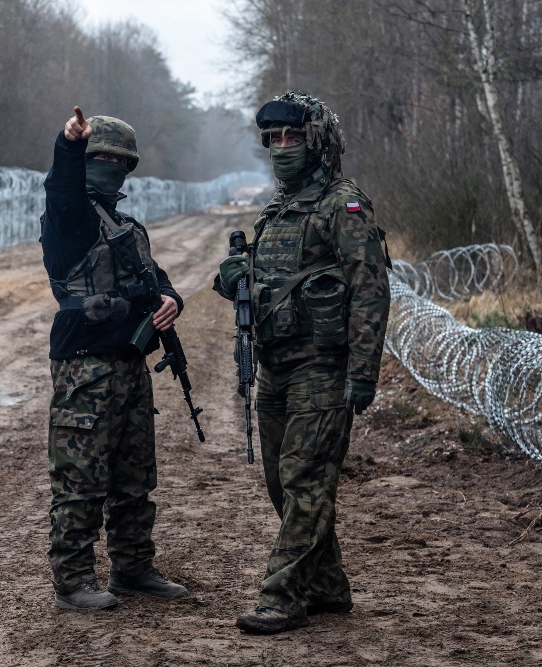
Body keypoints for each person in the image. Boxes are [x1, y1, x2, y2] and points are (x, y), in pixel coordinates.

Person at [214, 91, 391, 634]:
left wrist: (363, 372)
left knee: (304, 477)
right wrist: (234, 275)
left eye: (292, 138)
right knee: (281, 481)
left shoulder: (343, 205)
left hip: (323, 365)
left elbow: (370, 289)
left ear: (318, 143)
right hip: (277, 365)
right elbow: (266, 275)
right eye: (273, 140)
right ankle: (328, 583)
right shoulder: (278, 208)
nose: (282, 148)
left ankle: (283, 593)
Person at [39, 106, 189, 611]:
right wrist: (69, 146)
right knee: (80, 480)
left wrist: (171, 300)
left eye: (118, 160)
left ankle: (133, 567)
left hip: (129, 367)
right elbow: (61, 188)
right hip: (85, 368)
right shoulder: (70, 221)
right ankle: (73, 580)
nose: (109, 166)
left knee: (134, 479)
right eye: (99, 157)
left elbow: (154, 278)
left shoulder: (127, 227)